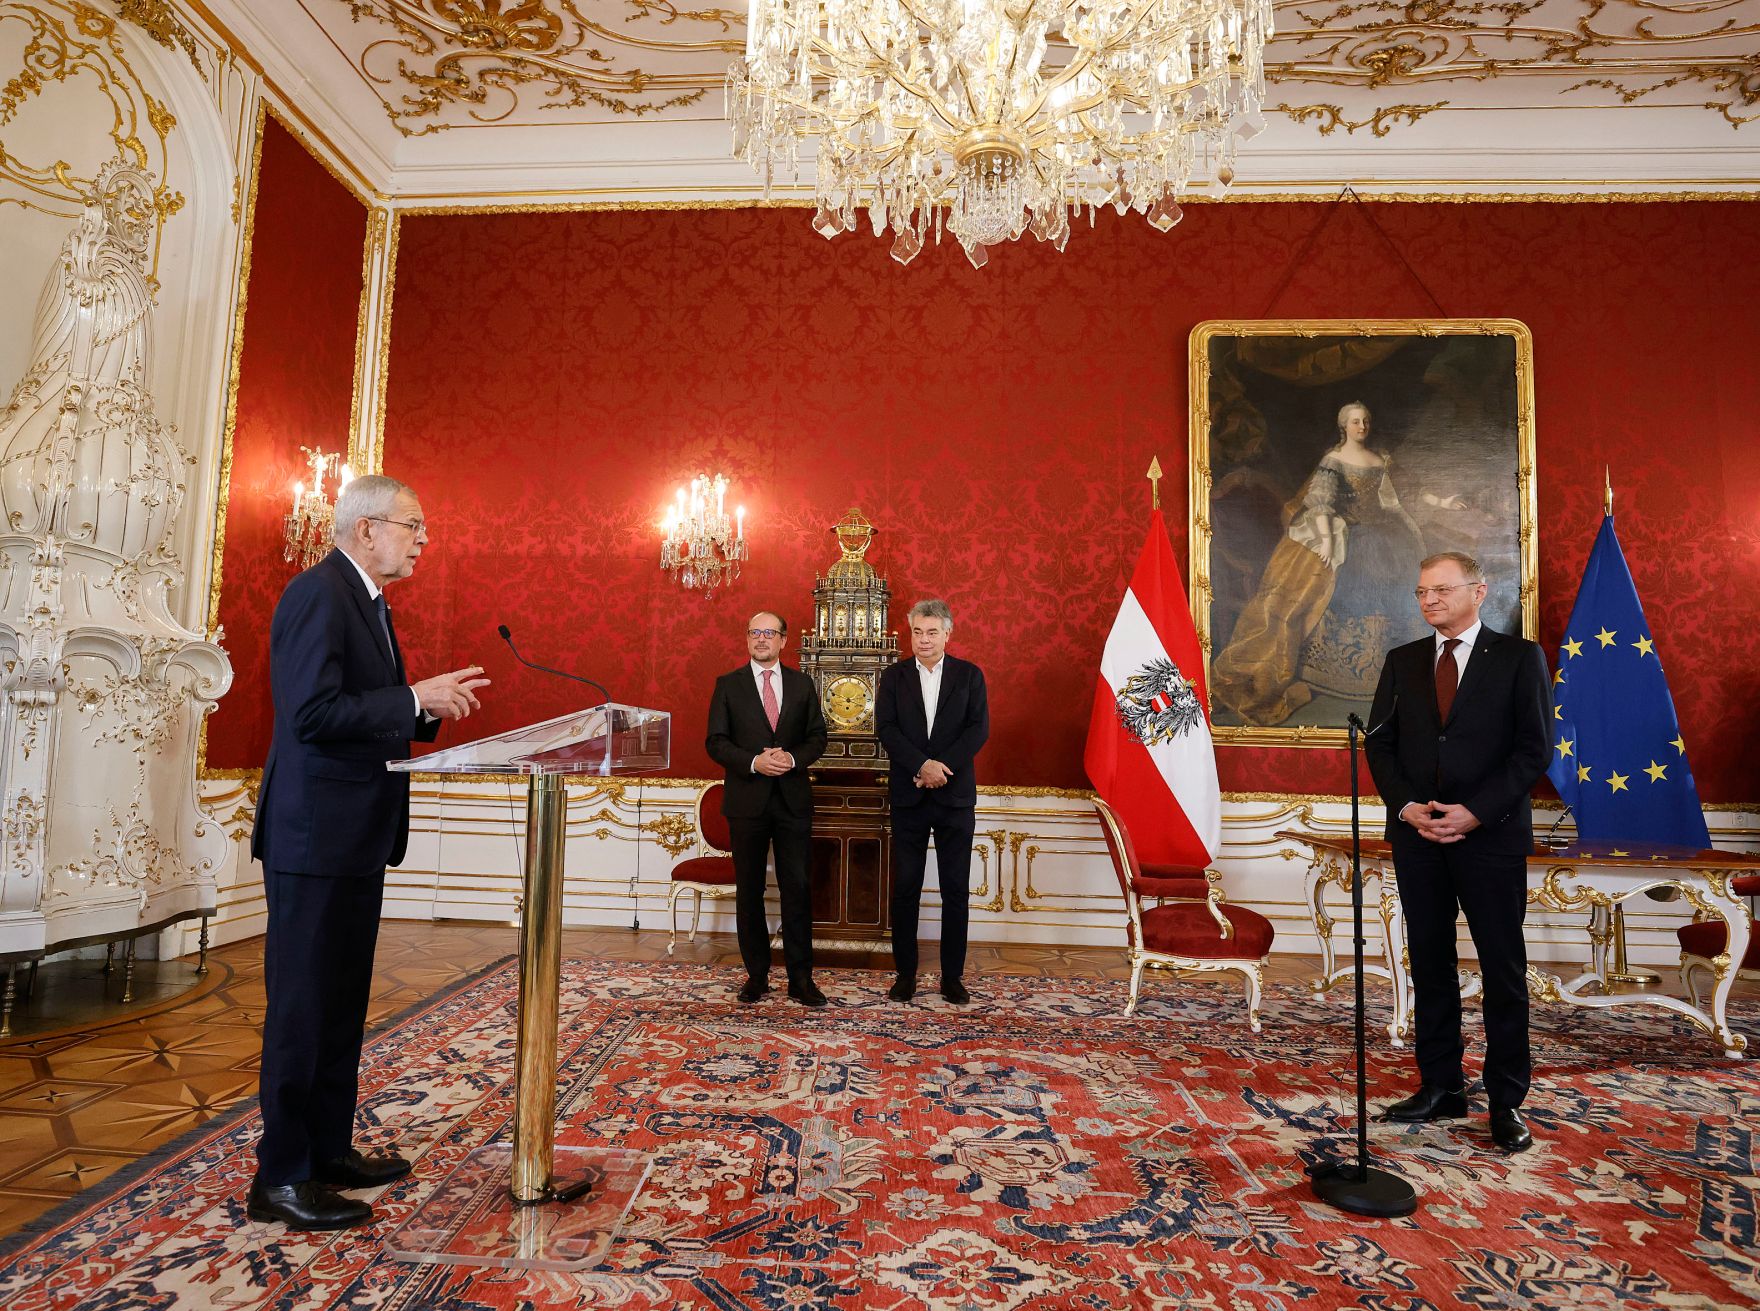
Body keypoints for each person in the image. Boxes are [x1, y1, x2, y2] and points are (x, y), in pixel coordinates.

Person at [249, 475, 491, 1229]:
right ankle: (281, 1176)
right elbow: (311, 711)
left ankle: (326, 1151)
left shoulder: (370, 601)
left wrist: (424, 707)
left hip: (352, 837)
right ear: (365, 529)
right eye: (413, 526)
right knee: (301, 1007)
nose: (423, 540)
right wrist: (412, 696)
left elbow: (368, 711)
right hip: (313, 837)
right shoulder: (318, 593)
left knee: (340, 1004)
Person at [1364, 550, 1552, 1154]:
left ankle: (1505, 1100)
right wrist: (1405, 806)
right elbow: (1381, 746)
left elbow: (1533, 751)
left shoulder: (1520, 658)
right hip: (1418, 837)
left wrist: (1477, 811)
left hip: (1490, 836)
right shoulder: (1402, 661)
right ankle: (1442, 1085)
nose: (1429, 602)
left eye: (1441, 591)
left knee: (1503, 970)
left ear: (1479, 590)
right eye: (1421, 593)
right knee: (1431, 964)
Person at [1213, 401, 1427, 725]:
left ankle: (1379, 668)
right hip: (1345, 534)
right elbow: (1322, 504)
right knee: (1339, 585)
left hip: (1379, 535)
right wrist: (1327, 541)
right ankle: (1334, 670)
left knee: (1393, 584)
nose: (1362, 427)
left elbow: (1391, 501)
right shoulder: (1334, 459)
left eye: (1366, 421)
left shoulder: (1378, 459)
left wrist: (1410, 524)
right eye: (1356, 422)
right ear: (1344, 426)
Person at [706, 612, 829, 1006]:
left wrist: (791, 760)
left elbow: (817, 737)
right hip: (746, 802)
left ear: (783, 639)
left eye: (769, 633)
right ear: (747, 639)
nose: (761, 639)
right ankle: (756, 976)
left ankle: (801, 980)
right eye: (754, 632)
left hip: (793, 801)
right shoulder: (727, 685)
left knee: (798, 889)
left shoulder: (802, 683)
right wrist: (754, 762)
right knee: (750, 892)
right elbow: (716, 742)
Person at [875, 599, 990, 1005]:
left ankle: (951, 979)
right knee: (905, 888)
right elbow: (885, 728)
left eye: (931, 632)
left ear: (947, 634)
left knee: (955, 889)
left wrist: (941, 768)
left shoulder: (969, 675)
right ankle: (905, 975)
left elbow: (979, 730)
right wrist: (922, 765)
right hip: (909, 794)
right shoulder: (892, 676)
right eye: (917, 632)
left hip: (954, 796)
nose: (923, 640)